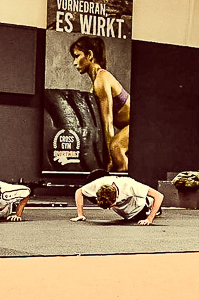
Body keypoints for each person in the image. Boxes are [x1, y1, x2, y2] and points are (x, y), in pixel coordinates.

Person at [69, 36, 131, 172]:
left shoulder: (102, 79)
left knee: (116, 148)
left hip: (137, 125)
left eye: (77, 56)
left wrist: (109, 158)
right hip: (125, 126)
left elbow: (108, 122)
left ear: (89, 55)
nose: (74, 63)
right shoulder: (96, 83)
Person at [72, 175, 162, 225]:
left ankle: (150, 203)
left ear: (117, 196)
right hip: (124, 211)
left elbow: (159, 196)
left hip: (139, 209)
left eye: (111, 205)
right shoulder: (100, 183)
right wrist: (80, 215)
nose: (109, 208)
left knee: (149, 203)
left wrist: (149, 219)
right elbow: (79, 191)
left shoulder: (129, 184)